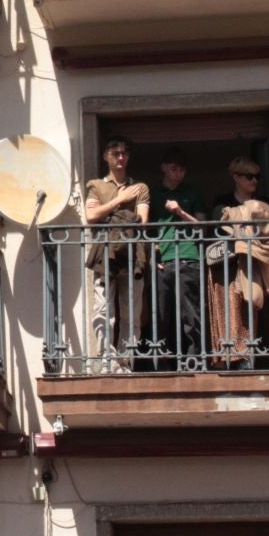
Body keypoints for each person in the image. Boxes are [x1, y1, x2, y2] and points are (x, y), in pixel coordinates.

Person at [84, 137, 151, 371]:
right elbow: (91, 216)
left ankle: (125, 362)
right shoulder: (96, 185)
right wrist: (121, 200)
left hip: (133, 254)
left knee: (131, 312)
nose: (120, 157)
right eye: (115, 153)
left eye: (124, 153)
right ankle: (105, 360)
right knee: (103, 308)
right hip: (105, 253)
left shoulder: (140, 187)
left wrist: (111, 213)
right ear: (106, 156)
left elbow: (142, 221)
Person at [207, 156, 269, 369]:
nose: (254, 181)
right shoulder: (222, 204)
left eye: (257, 177)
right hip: (226, 269)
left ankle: (248, 358)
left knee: (251, 308)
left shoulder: (264, 205)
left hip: (252, 267)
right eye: (249, 176)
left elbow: (267, 232)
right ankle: (230, 359)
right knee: (228, 312)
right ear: (235, 177)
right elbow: (216, 233)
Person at [146, 146, 207, 370]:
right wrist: (152, 255)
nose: (178, 174)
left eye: (181, 170)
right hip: (162, 261)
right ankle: (159, 365)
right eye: (173, 169)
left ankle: (193, 362)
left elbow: (202, 228)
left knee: (191, 315)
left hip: (189, 258)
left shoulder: (193, 193)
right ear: (164, 168)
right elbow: (144, 229)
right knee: (160, 315)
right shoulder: (152, 195)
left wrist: (180, 212)